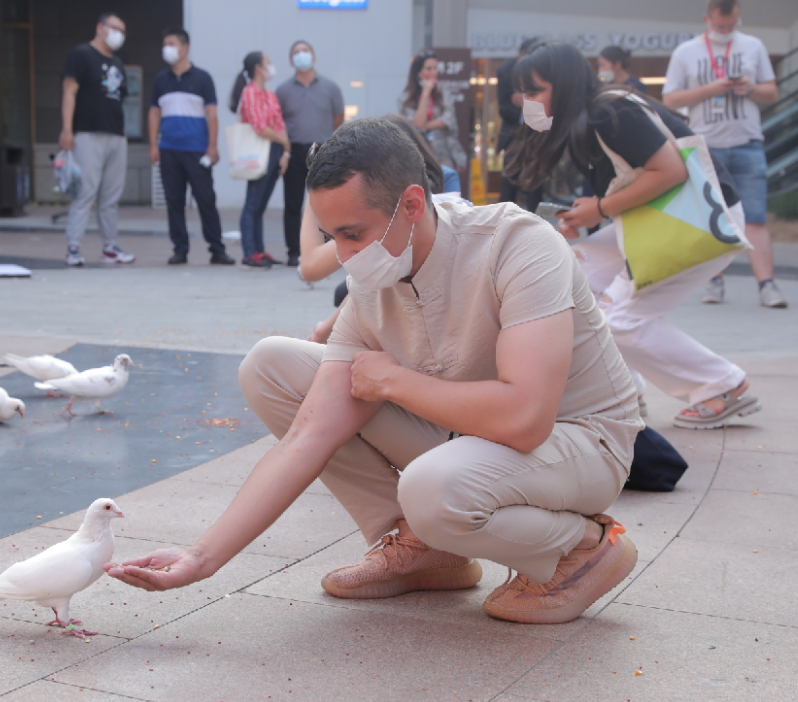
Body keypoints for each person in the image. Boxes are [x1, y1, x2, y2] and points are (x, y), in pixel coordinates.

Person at [105, 117, 644, 626]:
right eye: (331, 235)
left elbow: (527, 419)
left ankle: (581, 552)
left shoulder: (519, 245)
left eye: (352, 234)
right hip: (472, 435)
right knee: (271, 366)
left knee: (433, 487)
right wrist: (201, 557)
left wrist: (393, 381)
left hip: (580, 443)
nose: (342, 255)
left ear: (412, 203)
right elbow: (309, 436)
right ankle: (426, 549)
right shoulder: (372, 281)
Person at [506, 40, 761, 430]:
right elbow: (632, 178)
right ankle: (625, 391)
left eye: (536, 90)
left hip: (700, 222)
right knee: (571, 280)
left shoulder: (609, 111)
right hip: (660, 220)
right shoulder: (594, 115)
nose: (527, 101)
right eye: (525, 92)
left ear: (565, 84)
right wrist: (591, 212)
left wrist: (601, 209)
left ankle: (723, 385)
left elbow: (671, 171)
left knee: (621, 319)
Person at [662, 0, 784, 308]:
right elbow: (671, 98)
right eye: (719, 27)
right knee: (711, 216)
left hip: (748, 141)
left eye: (731, 26)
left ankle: (767, 285)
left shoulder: (753, 46)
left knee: (755, 217)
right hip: (705, 145)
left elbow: (772, 93)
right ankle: (714, 281)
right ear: (707, 19)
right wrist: (710, 89)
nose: (725, 32)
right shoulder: (686, 52)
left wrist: (749, 87)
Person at [300, 113, 450, 344]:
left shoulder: (387, 208)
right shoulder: (445, 180)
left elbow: (311, 267)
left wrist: (320, 183)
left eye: (352, 235)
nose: (344, 256)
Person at [150, 28, 233, 267]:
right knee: (174, 201)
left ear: (184, 48)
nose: (166, 48)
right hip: (168, 149)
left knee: (206, 200)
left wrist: (212, 146)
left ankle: (217, 249)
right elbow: (154, 114)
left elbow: (211, 114)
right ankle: (180, 249)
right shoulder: (160, 80)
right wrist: (153, 144)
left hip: (197, 150)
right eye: (164, 43)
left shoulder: (202, 78)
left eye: (171, 43)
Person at [58, 13, 135, 268]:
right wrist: (67, 129)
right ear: (100, 28)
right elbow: (69, 92)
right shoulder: (81, 54)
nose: (118, 35)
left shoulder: (118, 63)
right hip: (87, 132)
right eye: (115, 28)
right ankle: (73, 247)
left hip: (115, 135)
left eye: (122, 30)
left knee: (111, 195)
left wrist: (123, 133)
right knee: (84, 192)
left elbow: (120, 100)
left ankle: (109, 247)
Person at [276, 41, 344, 267]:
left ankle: (327, 250)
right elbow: (279, 123)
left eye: (305, 51)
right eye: (296, 52)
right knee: (293, 203)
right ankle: (294, 252)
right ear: (290, 61)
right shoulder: (283, 90)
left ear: (314, 57)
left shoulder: (330, 87)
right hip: (294, 150)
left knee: (326, 202)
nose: (301, 55)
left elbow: (338, 118)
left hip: (323, 149)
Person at [230, 51, 290, 269]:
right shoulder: (250, 93)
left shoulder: (270, 94)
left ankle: (259, 250)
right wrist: (283, 142)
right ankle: (249, 252)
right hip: (258, 151)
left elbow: (279, 123)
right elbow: (259, 127)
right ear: (258, 68)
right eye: (268, 62)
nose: (271, 66)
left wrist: (285, 152)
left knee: (260, 205)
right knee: (252, 204)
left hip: (274, 151)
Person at [399, 50, 467, 193]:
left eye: (435, 68)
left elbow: (448, 119)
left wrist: (424, 126)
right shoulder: (406, 98)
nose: (434, 72)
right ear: (418, 72)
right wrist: (425, 94)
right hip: (419, 158)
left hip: (444, 156)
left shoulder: (444, 93)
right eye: (429, 69)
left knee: (448, 199)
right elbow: (416, 125)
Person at [496, 38, 542, 212]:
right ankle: (503, 224)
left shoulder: (544, 72)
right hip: (514, 133)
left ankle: (537, 228)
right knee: (509, 182)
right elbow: (504, 109)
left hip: (537, 134)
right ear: (519, 57)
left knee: (535, 183)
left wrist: (526, 102)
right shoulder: (505, 71)